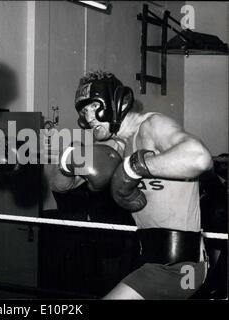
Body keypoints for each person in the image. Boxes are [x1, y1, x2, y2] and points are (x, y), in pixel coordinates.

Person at [51, 70, 213, 299]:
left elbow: (200, 158)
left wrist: (136, 167)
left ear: (112, 102)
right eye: (83, 111)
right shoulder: (114, 147)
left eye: (93, 108)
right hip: (151, 261)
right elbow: (61, 186)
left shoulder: (152, 126)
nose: (88, 118)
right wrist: (67, 162)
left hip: (181, 268)